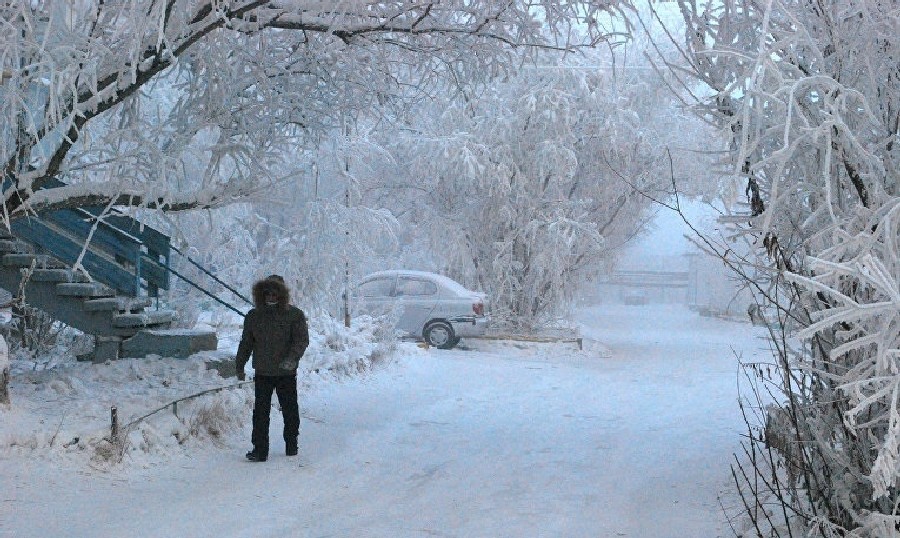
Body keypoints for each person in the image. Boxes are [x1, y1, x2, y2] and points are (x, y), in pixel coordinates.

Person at [236, 274, 309, 462]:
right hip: (263, 372)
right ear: (261, 294)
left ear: (282, 294)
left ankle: (291, 442)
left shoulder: (295, 315)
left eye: (275, 293)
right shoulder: (254, 316)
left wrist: (292, 358)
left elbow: (301, 340)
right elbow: (246, 342)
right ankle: (260, 450)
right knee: (260, 412)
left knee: (290, 409)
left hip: (286, 373)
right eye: (267, 293)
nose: (270, 297)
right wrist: (239, 364)